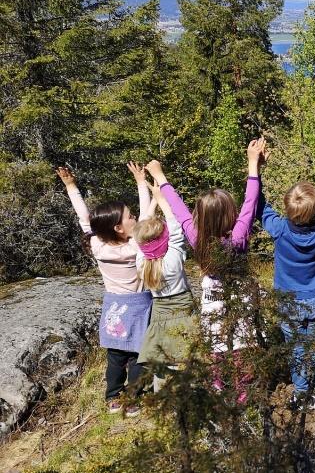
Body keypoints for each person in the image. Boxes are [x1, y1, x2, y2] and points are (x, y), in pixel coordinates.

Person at [145, 139, 265, 402]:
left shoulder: (196, 237)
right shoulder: (238, 238)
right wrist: (253, 164)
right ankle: (243, 392)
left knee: (216, 341)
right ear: (230, 215)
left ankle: (218, 385)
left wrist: (160, 176)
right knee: (243, 341)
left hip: (213, 296)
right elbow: (250, 202)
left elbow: (179, 211)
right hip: (241, 294)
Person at [57, 163, 153, 417]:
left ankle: (113, 397)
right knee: (138, 357)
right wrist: (142, 183)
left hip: (115, 306)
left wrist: (70, 187)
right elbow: (145, 215)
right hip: (140, 305)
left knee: (115, 356)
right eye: (129, 217)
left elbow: (84, 218)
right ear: (119, 228)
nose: (134, 219)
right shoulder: (135, 247)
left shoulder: (99, 246)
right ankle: (133, 399)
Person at [257, 145, 315, 411]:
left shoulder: (280, 229)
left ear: (287, 209)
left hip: (288, 302)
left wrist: (257, 169)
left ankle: (301, 392)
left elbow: (258, 206)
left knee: (296, 347)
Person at [134, 182, 195, 391]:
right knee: (187, 354)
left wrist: (152, 204)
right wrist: (161, 198)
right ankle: (190, 392)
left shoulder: (142, 264)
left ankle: (161, 392)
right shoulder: (174, 259)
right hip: (183, 306)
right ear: (165, 239)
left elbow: (140, 233)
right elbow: (176, 226)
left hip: (159, 311)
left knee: (162, 357)